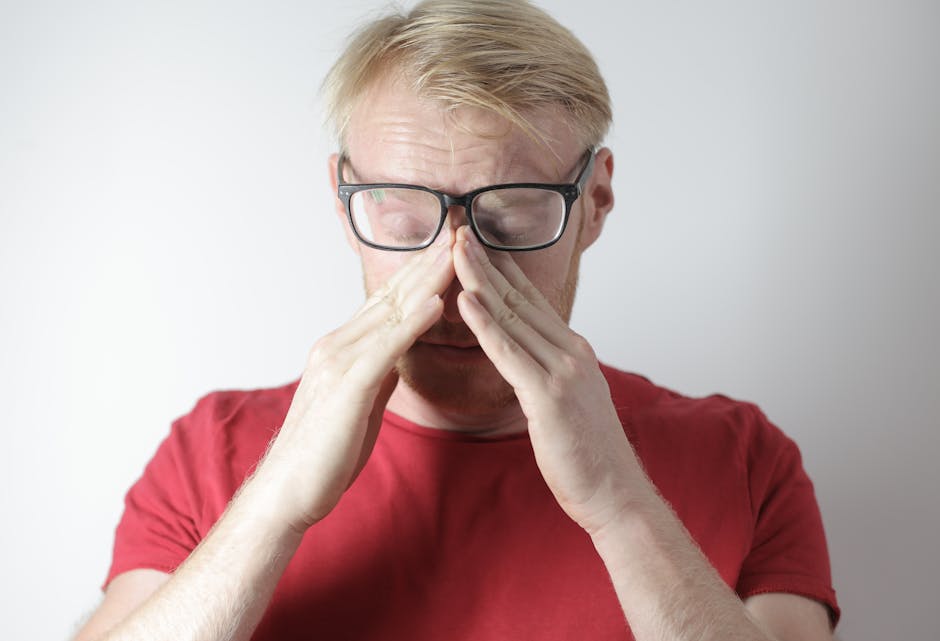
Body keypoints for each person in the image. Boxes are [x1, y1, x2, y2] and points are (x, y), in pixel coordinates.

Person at [74, 1, 839, 640]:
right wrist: (274, 507)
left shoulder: (744, 459)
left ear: (595, 201)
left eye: (508, 219)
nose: (451, 275)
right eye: (405, 219)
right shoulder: (213, 452)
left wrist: (619, 503)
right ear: (345, 197)